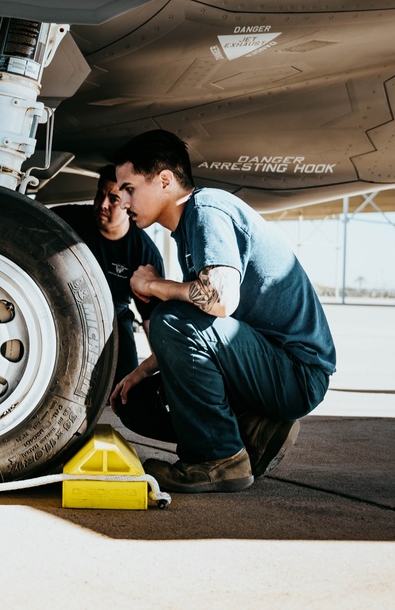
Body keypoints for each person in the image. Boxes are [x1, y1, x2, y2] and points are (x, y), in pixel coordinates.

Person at [109, 129, 336, 493]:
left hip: (296, 373)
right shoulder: (189, 231)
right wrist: (141, 371)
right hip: (264, 365)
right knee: (134, 401)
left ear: (165, 180)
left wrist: (153, 286)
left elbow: (219, 300)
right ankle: (256, 430)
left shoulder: (206, 211)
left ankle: (218, 459)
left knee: (170, 317)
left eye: (130, 188)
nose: (122, 201)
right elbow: (206, 328)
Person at [54, 164, 165, 385]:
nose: (102, 204)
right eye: (100, 194)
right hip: (65, 312)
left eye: (113, 199)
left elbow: (151, 319)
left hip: (113, 319)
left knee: (127, 390)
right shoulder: (68, 219)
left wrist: (165, 369)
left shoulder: (144, 253)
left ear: (128, 204)